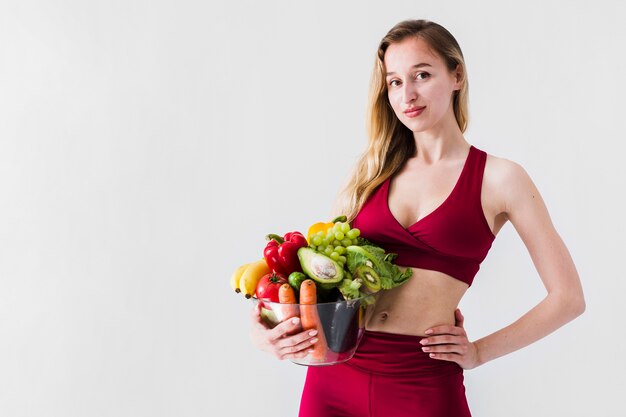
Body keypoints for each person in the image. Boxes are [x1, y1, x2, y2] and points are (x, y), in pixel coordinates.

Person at [250, 19, 585, 417]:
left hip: (423, 383)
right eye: (394, 82)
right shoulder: (371, 171)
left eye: (421, 75)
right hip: (335, 379)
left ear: (456, 74)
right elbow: (321, 279)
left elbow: (568, 298)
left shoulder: (500, 178)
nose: (407, 94)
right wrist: (265, 331)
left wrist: (478, 352)